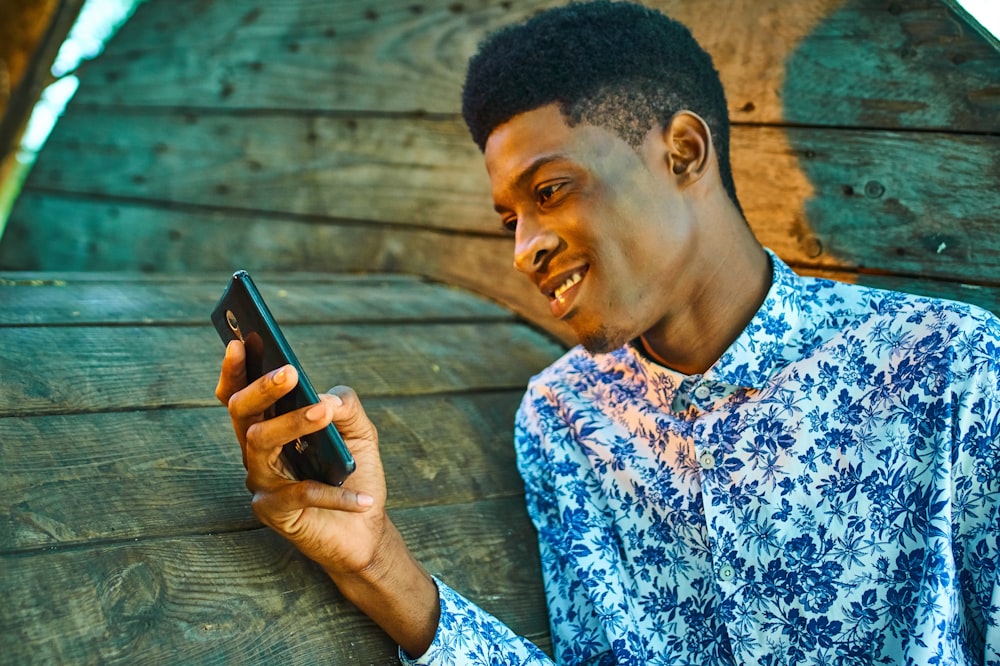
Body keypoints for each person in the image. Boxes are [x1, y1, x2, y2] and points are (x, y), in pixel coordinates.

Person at [215, 2, 1000, 664]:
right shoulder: (565, 417)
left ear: (683, 152)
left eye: (550, 190)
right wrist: (375, 560)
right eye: (508, 219)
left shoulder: (950, 368)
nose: (525, 248)